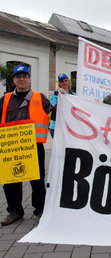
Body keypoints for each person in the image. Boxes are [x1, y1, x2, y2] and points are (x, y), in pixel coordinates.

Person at [0, 65, 52, 226]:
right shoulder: (5, 99)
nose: (21, 79)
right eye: (18, 76)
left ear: (29, 79)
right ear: (14, 79)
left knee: (37, 180)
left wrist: (65, 98)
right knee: (10, 180)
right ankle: (15, 211)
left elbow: (55, 112)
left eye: (24, 76)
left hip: (34, 146)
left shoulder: (40, 97)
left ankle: (40, 210)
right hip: (11, 146)